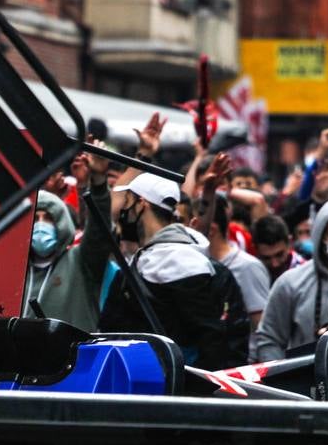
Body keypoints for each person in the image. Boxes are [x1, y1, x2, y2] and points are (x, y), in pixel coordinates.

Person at [99, 155, 249, 369]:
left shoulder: (131, 275)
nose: (123, 210)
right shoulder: (213, 269)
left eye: (128, 202)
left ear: (142, 204)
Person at [253, 201, 328, 360]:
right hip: (305, 379)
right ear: (320, 237)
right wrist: (284, 380)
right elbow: (269, 339)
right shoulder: (291, 283)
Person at [23, 165, 112, 330]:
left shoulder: (81, 261)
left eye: (49, 218)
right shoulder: (16, 271)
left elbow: (99, 231)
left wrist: (98, 183)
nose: (41, 225)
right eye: (35, 219)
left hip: (71, 354)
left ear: (61, 223)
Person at [200, 193, 270, 334]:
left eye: (193, 223)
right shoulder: (197, 264)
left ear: (211, 229)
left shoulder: (248, 267)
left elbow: (262, 328)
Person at [251, 215, 303, 283]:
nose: (274, 264)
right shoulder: (251, 273)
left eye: (279, 255)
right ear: (255, 250)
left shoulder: (304, 274)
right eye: (266, 258)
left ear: (289, 243)